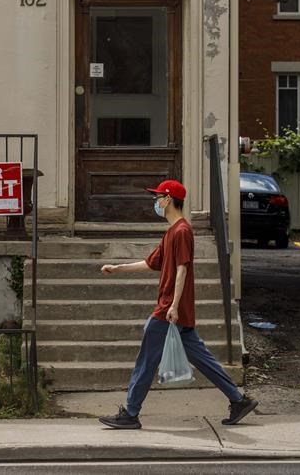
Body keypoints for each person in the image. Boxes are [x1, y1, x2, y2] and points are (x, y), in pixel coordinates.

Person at [98, 179, 258, 429]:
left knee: (145, 360)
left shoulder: (182, 231)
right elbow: (151, 264)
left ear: (168, 199)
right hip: (177, 311)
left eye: (158, 198)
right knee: (204, 359)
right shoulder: (173, 232)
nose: (156, 202)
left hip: (168, 310)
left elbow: (183, 269)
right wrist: (117, 268)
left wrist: (172, 305)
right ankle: (238, 399)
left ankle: (130, 413)